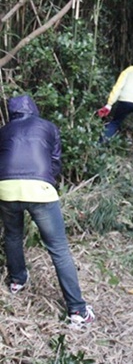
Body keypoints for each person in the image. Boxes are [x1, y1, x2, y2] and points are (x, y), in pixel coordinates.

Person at [0, 95, 95, 327]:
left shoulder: (3, 130)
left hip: (5, 188)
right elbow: (55, 162)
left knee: (12, 235)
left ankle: (17, 280)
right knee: (59, 248)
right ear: (33, 108)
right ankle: (77, 310)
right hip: (40, 188)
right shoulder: (48, 127)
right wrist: (46, 182)